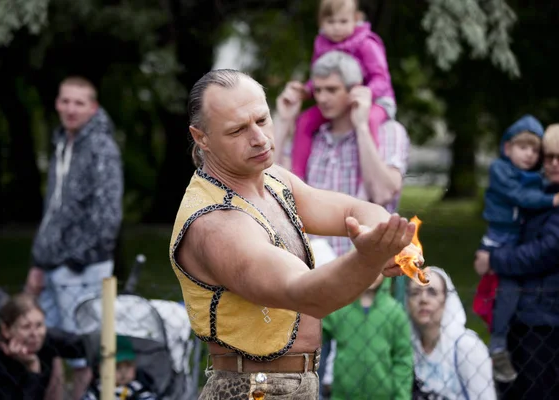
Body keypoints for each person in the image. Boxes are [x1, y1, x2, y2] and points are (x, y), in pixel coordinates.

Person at [170, 69, 422, 399]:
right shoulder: (215, 223)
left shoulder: (273, 180)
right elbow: (307, 295)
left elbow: (353, 210)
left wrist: (386, 237)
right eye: (237, 130)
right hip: (250, 390)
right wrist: (370, 257)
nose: (259, 137)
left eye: (262, 120)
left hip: (288, 384)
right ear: (201, 137)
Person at [275, 50, 411, 396]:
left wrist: (363, 125)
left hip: (366, 271)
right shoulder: (312, 135)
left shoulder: (390, 131)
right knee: (306, 371)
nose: (321, 98)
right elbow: (270, 185)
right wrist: (285, 118)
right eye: (317, 90)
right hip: (312, 268)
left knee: (357, 372)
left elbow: (382, 190)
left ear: (354, 90)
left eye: (331, 89)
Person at [24, 76, 124, 399]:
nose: (71, 108)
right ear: (56, 103)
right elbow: (53, 210)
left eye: (79, 102)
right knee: (45, 345)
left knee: (83, 352)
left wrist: (73, 258)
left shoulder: (101, 147)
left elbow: (109, 215)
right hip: (51, 263)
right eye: (65, 101)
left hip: (83, 268)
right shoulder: (61, 142)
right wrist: (40, 260)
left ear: (92, 108)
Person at [475, 122, 559, 400]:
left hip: (549, 318)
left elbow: (541, 253)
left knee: (540, 391)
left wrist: (493, 259)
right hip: (530, 313)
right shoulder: (547, 195)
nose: (553, 163)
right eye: (549, 156)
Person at [290, 0, 397, 182]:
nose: (337, 28)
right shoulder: (321, 44)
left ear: (356, 19)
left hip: (377, 100)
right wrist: (307, 89)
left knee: (368, 120)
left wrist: (366, 93)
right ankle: (297, 178)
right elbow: (319, 74)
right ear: (321, 23)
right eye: (331, 22)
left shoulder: (366, 43)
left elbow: (381, 78)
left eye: (343, 22)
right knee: (305, 121)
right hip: (341, 102)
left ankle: (365, 182)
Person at [0, 293, 89, 400]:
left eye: (39, 325)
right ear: (6, 330)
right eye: (26, 327)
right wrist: (33, 367)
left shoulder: (44, 338)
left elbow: (85, 345)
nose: (34, 334)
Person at [407, 267, 496, 400]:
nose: (423, 299)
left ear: (446, 299)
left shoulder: (467, 346)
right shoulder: (408, 348)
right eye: (415, 293)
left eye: (432, 292)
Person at [321, 274, 413, 400]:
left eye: (378, 264)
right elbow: (317, 336)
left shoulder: (395, 312)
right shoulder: (340, 307)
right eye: (369, 261)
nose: (373, 270)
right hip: (342, 396)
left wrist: (401, 397)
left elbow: (403, 359)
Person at [82, 335, 158, 400]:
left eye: (128, 366)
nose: (123, 372)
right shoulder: (97, 389)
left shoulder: (138, 388)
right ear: (101, 369)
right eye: (117, 367)